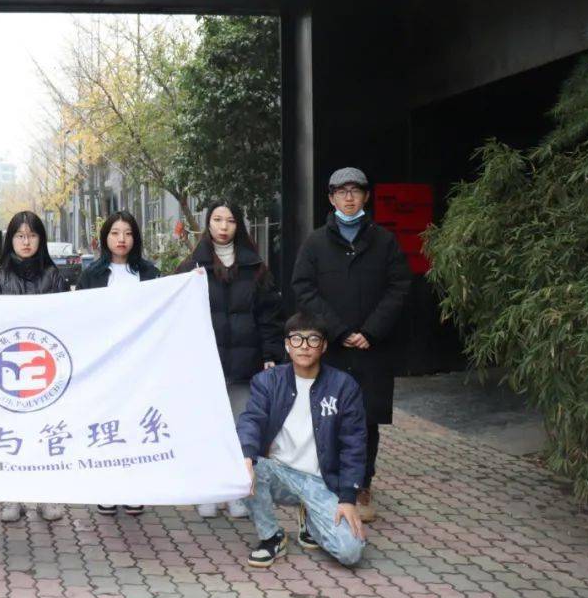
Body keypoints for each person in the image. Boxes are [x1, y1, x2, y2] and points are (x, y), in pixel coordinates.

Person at [290, 168, 411, 522]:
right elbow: (304, 288)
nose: (348, 197)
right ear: (330, 198)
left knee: (366, 419)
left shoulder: (384, 242)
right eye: (341, 191)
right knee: (325, 413)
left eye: (355, 190)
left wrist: (370, 331)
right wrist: (338, 330)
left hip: (370, 350)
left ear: (366, 196)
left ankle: (361, 484)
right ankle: (325, 480)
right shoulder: (315, 243)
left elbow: (399, 287)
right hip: (331, 348)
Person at [176, 200, 284, 519]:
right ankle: (208, 489)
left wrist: (269, 355)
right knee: (207, 427)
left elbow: (270, 317)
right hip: (205, 364)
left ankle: (238, 491)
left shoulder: (257, 268)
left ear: (239, 226)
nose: (224, 227)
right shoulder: (189, 269)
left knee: (242, 429)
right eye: (217, 220)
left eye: (231, 221)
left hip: (245, 364)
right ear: (208, 224)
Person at [236, 312, 367, 568]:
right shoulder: (268, 381)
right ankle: (271, 536)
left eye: (313, 339)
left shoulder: (344, 386)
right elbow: (251, 419)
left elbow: (354, 444)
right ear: (287, 344)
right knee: (239, 468)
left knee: (350, 552)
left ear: (324, 345)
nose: (304, 346)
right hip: (279, 473)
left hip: (322, 480)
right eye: (296, 339)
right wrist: (246, 456)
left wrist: (348, 499)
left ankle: (311, 521)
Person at [0, 210, 69, 522]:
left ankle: (46, 496)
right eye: (20, 235)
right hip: (7, 371)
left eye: (32, 235)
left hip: (45, 369)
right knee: (11, 436)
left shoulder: (54, 277)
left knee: (44, 433)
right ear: (11, 240)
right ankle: (11, 497)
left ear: (40, 239)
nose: (26, 241)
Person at [76, 210, 160, 516]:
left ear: (135, 237)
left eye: (127, 233)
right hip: (104, 363)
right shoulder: (92, 275)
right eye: (115, 233)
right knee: (106, 424)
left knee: (135, 423)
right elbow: (81, 318)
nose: (121, 239)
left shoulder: (149, 273)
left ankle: (134, 488)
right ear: (105, 238)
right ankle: (107, 487)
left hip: (139, 363)